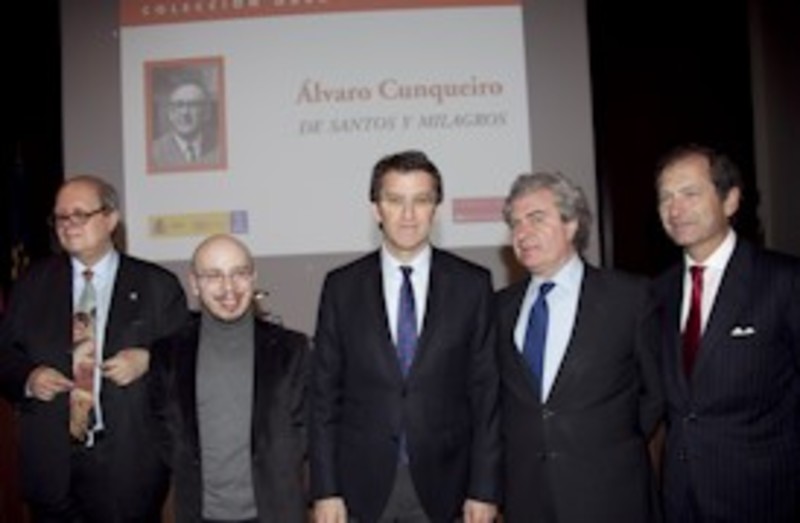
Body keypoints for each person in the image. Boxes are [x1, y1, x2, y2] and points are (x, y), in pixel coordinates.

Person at [310, 150, 500, 523]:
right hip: (359, 488)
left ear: (436, 209)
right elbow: (323, 397)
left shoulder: (473, 285)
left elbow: (486, 396)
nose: (409, 214)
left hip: (449, 486)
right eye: (395, 200)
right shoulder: (341, 287)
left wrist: (485, 489)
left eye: (422, 200)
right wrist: (325, 489)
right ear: (376, 209)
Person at [0, 174, 188, 522]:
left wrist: (149, 359)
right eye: (61, 216)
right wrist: (29, 377)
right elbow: (5, 356)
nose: (68, 224)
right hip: (50, 464)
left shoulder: (157, 285)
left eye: (80, 214)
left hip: (127, 466)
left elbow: (187, 359)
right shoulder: (32, 284)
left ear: (111, 219)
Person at [494, 171, 663, 522]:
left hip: (609, 493)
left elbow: (655, 392)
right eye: (515, 224)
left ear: (571, 225)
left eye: (536, 219)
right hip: (526, 497)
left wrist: (609, 442)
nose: (522, 233)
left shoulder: (629, 298)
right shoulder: (498, 308)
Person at [653, 144, 800, 522]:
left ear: (730, 200)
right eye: (665, 197)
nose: (675, 209)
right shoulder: (657, 292)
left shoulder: (784, 281)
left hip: (764, 496)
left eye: (689, 193)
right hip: (680, 496)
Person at [148, 234, 310, 523]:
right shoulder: (167, 354)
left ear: (253, 278)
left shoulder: (292, 349)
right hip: (198, 514)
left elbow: (306, 431)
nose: (229, 288)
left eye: (239, 273)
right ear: (194, 283)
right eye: (214, 276)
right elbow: (164, 434)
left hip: (276, 513)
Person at [151, 74, 220, 170]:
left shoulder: (220, 147)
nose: (185, 113)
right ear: (170, 113)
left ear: (206, 113)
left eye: (193, 105)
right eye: (179, 105)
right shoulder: (154, 153)